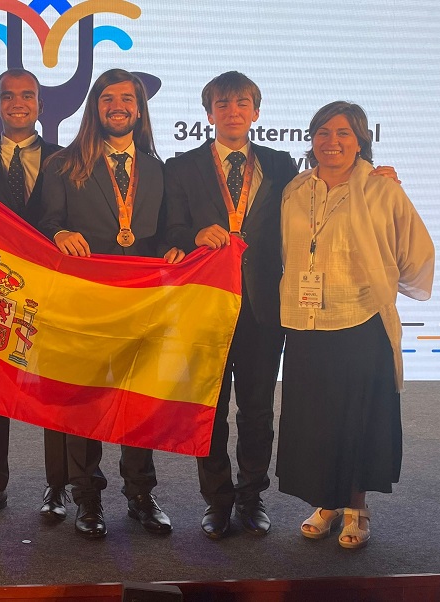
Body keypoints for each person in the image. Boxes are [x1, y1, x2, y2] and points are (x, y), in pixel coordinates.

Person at [276, 101, 434, 549]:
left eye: (344, 133)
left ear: (361, 140)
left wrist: (380, 283)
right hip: (306, 321)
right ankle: (327, 503)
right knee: (317, 419)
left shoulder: (382, 190)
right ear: (311, 139)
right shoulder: (294, 188)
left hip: (361, 320)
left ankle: (356, 508)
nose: (332, 142)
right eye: (323, 132)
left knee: (359, 418)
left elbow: (416, 254)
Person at [38, 68, 184, 539]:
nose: (117, 105)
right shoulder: (62, 163)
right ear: (95, 107)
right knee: (86, 401)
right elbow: (44, 226)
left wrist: (176, 246)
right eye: (107, 97)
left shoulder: (158, 167)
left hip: (142, 303)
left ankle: (141, 494)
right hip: (86, 302)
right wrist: (58, 232)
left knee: (137, 401)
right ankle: (87, 498)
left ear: (139, 109)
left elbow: (168, 230)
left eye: (127, 98)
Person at [163, 71, 297, 539]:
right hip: (206, 307)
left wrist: (374, 169)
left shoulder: (283, 166)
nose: (233, 111)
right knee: (211, 409)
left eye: (242, 103)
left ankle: (251, 496)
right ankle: (217, 500)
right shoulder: (181, 167)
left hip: (263, 310)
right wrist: (192, 235)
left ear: (256, 112)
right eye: (223, 104)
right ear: (209, 113)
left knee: (257, 410)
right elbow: (167, 231)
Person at [0, 68, 69, 523]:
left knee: (56, 393)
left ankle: (58, 488)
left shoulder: (68, 160)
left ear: (41, 107)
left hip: (53, 292)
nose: (18, 103)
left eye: (28, 96)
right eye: (8, 96)